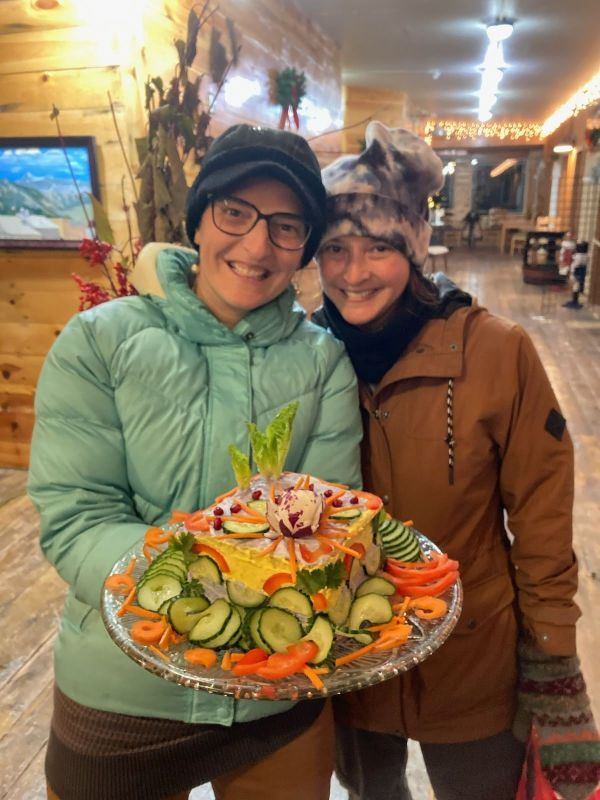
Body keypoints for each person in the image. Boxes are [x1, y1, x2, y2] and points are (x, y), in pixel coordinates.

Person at [28, 123, 363, 800]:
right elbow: (78, 518)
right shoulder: (102, 342)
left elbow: (330, 514)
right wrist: (206, 591)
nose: (258, 243)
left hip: (278, 688)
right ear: (200, 218)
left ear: (304, 248)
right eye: (236, 212)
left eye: (288, 225)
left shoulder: (322, 359)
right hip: (125, 686)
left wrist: (269, 600)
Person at [314, 121, 600, 800]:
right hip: (348, 655)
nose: (354, 273)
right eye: (336, 249)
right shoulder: (304, 358)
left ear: (412, 249)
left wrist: (552, 653)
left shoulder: (496, 351)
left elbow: (541, 512)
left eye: (379, 247)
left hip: (471, 654)